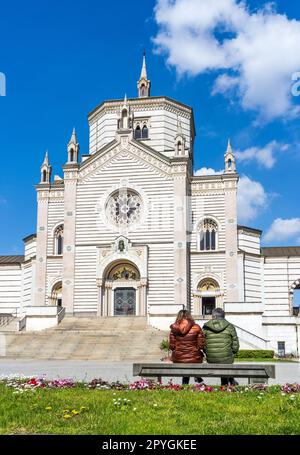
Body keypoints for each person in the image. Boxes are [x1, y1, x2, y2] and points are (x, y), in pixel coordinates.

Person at [202, 307, 239, 386]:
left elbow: (202, 343)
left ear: (213, 316)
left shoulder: (205, 327)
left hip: (211, 358)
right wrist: (233, 352)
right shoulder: (230, 326)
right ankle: (228, 383)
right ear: (223, 316)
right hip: (227, 358)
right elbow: (235, 344)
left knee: (223, 359)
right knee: (225, 359)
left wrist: (207, 352)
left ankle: (228, 382)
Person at [169, 309, 205, 385]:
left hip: (178, 358)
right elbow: (201, 345)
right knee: (193, 359)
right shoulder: (196, 327)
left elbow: (172, 346)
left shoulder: (174, 328)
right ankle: (197, 377)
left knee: (185, 360)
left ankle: (186, 384)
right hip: (194, 357)